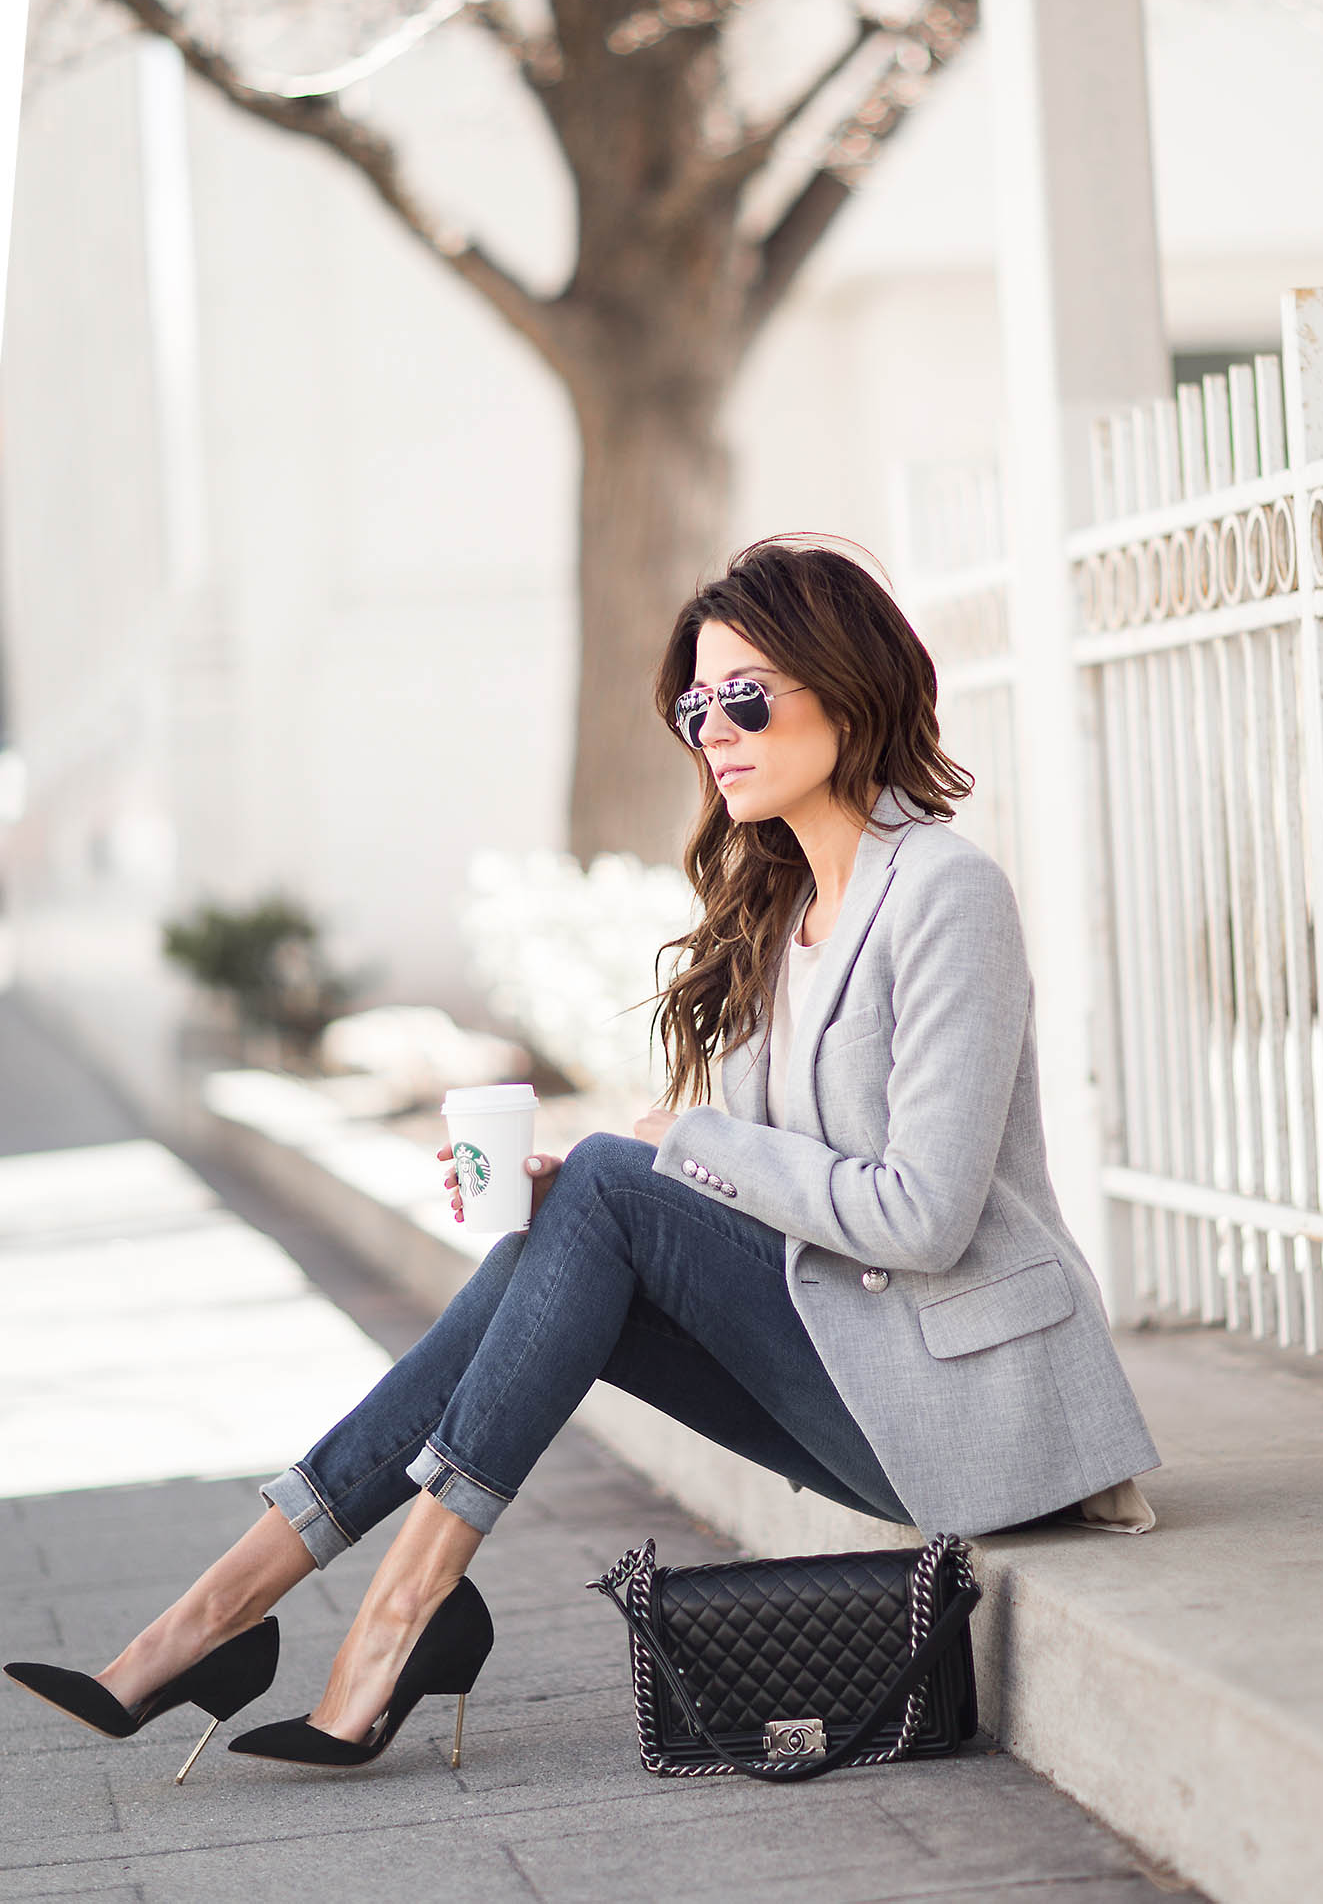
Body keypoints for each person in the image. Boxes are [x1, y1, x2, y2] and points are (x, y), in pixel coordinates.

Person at [4, 538, 1158, 1778]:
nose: (715, 729)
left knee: (613, 1177)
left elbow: (921, 1217)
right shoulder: (783, 910)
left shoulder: (946, 893)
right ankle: (226, 1608)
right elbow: (769, 1191)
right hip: (864, 1365)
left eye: (748, 696)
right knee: (574, 1216)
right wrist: (599, 1199)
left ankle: (360, 1613)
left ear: (852, 686)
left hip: (977, 1403)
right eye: (695, 705)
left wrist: (681, 1152)